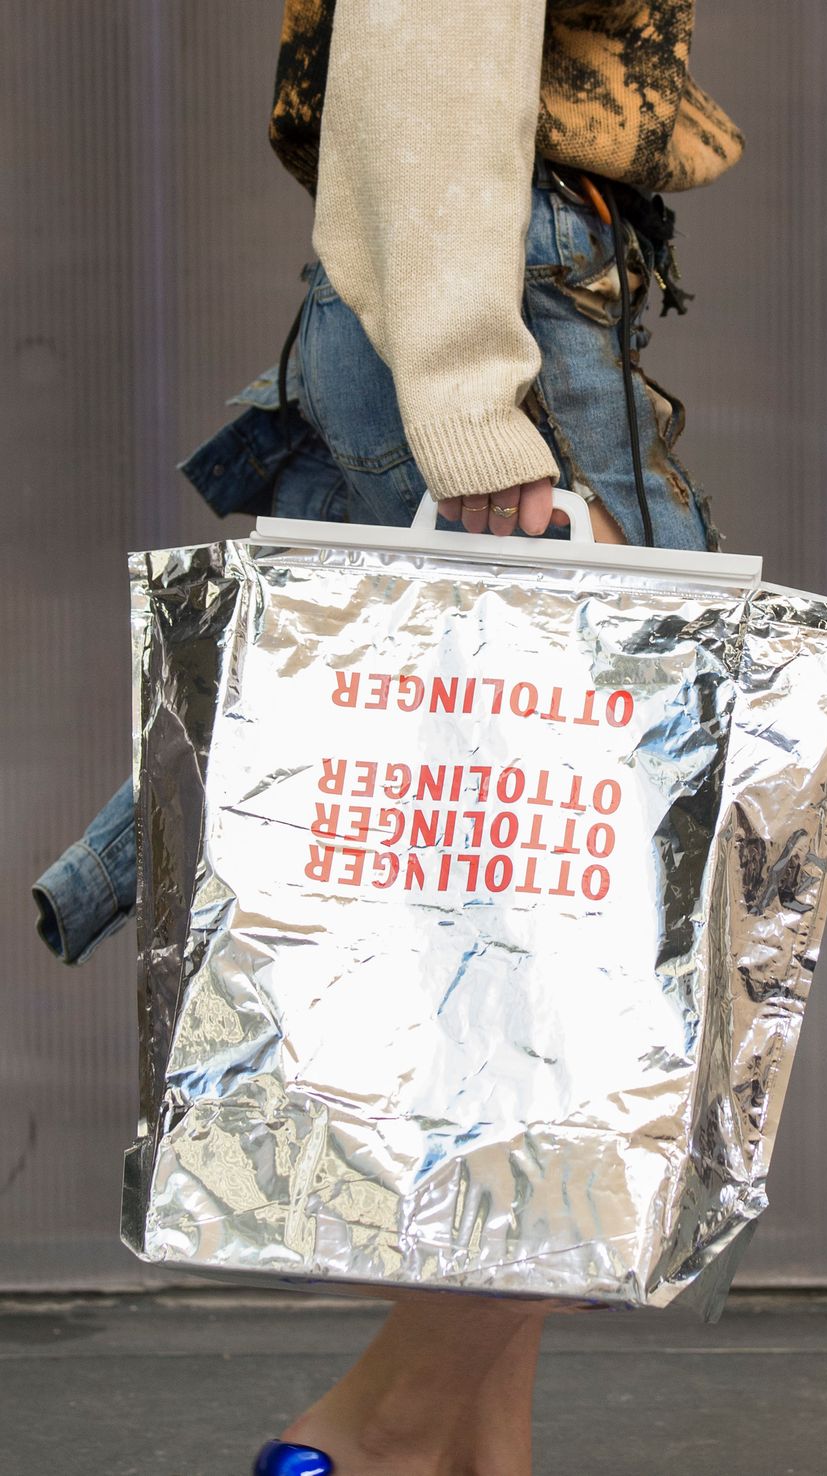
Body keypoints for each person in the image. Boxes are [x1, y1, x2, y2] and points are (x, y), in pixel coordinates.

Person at [34, 3, 743, 1472]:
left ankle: (477, 1451)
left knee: (529, 914)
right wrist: (473, 402)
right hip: (503, 314)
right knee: (606, 944)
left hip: (499, 289)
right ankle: (377, 1435)